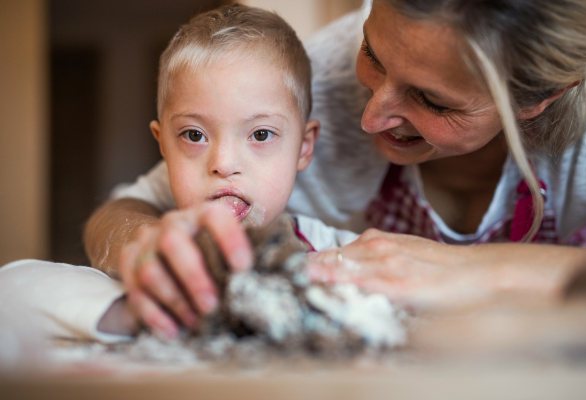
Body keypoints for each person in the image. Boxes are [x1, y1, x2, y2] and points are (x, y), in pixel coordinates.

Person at [85, 0, 586, 337]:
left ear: (538, 99)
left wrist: (481, 270)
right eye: (372, 55)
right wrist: (151, 248)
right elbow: (129, 207)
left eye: (431, 100)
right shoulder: (306, 83)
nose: (371, 116)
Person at [0, 4, 359, 342]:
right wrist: (140, 311)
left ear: (304, 147)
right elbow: (11, 290)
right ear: (163, 146)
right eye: (194, 135)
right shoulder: (157, 267)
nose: (223, 163)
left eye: (261, 134)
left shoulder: (336, 253)